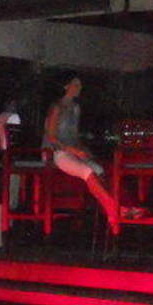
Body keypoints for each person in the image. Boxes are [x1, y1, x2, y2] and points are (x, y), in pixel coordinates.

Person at [42, 71, 119, 226]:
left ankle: (112, 209)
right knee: (88, 171)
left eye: (80, 85)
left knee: (99, 170)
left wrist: (84, 151)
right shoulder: (57, 107)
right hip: (56, 152)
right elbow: (52, 138)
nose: (80, 87)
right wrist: (74, 151)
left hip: (71, 152)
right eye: (76, 84)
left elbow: (74, 137)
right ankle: (114, 211)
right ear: (66, 86)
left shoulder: (76, 108)